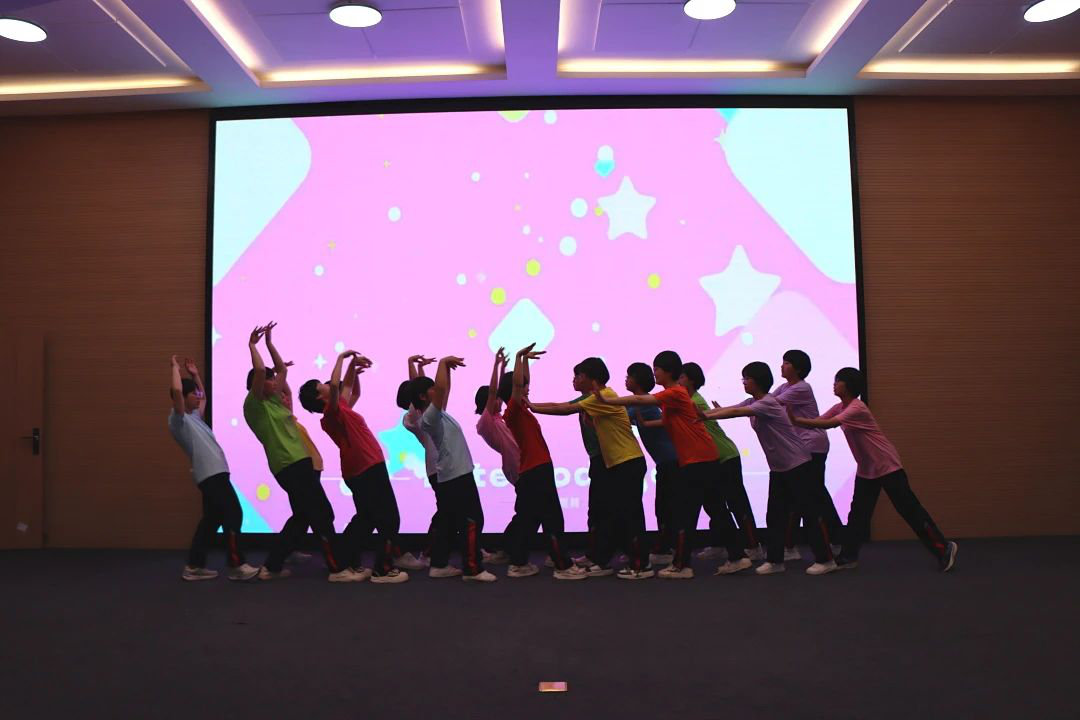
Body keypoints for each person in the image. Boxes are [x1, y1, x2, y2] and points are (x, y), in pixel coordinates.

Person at [591, 351, 749, 579]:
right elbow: (666, 421)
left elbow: (641, 399)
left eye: (657, 369)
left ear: (668, 372)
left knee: (686, 513)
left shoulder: (674, 392)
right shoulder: (674, 396)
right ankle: (737, 557)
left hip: (697, 460)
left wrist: (607, 401)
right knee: (715, 510)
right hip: (703, 458)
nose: (654, 373)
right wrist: (645, 423)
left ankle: (682, 565)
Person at [788, 367, 958, 572]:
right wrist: (790, 421)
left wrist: (796, 420)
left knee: (910, 510)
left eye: (838, 380)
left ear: (849, 385)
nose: (834, 384)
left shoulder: (857, 408)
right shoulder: (840, 406)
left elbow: (830, 424)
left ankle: (943, 548)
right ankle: (849, 556)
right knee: (858, 515)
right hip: (867, 469)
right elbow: (819, 422)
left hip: (887, 466)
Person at [244, 323, 363, 583]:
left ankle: (272, 566)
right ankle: (337, 569)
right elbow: (262, 370)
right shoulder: (254, 406)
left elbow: (282, 370)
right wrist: (253, 345)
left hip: (300, 463)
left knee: (303, 516)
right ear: (256, 384)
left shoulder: (275, 402)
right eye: (268, 379)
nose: (274, 381)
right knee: (322, 514)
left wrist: (270, 343)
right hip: (289, 465)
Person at [299, 349, 421, 584]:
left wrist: (353, 368)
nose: (327, 384)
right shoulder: (331, 413)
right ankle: (383, 570)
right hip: (366, 467)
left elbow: (349, 388)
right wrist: (341, 359)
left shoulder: (340, 408)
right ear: (320, 396)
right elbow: (337, 386)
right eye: (321, 385)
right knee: (389, 518)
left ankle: (344, 561)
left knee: (366, 519)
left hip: (363, 467)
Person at [704, 362, 836, 576]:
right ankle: (775, 561)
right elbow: (729, 408)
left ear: (757, 381)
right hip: (779, 468)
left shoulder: (768, 403)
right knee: (775, 516)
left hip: (798, 464)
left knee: (810, 513)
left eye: (747, 378)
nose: (744, 382)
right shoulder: (753, 401)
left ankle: (825, 559)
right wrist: (709, 413)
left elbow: (737, 411)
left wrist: (707, 416)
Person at [528, 357, 652, 580]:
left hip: (628, 461)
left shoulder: (604, 396)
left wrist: (533, 406)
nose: (575, 379)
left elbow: (564, 408)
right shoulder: (599, 398)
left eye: (579, 375)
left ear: (590, 378)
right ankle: (609, 559)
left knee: (631, 515)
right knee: (617, 514)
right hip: (619, 462)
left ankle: (640, 565)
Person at [495, 345, 585, 580]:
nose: (527, 388)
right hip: (536, 471)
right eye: (523, 387)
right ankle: (563, 566)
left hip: (533, 471)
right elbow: (518, 385)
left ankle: (518, 564)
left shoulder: (522, 408)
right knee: (552, 518)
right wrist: (517, 357)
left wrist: (525, 360)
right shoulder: (513, 411)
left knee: (528, 521)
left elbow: (522, 383)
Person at [168, 355, 259, 582]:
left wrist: (195, 375)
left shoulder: (194, 417)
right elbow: (177, 392)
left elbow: (204, 397)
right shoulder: (178, 420)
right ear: (184, 398)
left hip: (214, 473)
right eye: (194, 394)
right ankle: (236, 565)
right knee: (234, 513)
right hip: (211, 474)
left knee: (211, 521)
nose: (198, 396)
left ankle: (194, 566)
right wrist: (175, 368)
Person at [412, 356, 497, 582]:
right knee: (472, 519)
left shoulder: (437, 414)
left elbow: (443, 389)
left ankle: (439, 565)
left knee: (448, 523)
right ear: (423, 397)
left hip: (452, 474)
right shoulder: (429, 418)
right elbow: (441, 390)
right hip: (456, 475)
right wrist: (442, 363)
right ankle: (472, 569)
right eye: (430, 389)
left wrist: (447, 370)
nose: (437, 391)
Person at [678, 362, 763, 562]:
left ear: (691, 380)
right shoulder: (689, 400)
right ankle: (719, 544)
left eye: (681, 377)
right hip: (712, 458)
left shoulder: (694, 401)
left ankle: (753, 546)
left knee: (736, 503)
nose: (678, 381)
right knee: (714, 503)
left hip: (726, 456)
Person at [773, 350, 843, 560]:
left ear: (798, 369)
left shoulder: (802, 387)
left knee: (812, 495)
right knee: (809, 495)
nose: (782, 366)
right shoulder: (785, 387)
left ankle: (833, 540)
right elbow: (766, 400)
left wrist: (736, 411)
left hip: (813, 445)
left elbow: (769, 404)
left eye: (787, 363)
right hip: (800, 447)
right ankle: (795, 545)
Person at [624, 362, 679, 567]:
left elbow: (620, 418)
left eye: (629, 376)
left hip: (671, 460)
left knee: (667, 508)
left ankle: (667, 549)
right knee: (663, 507)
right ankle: (665, 548)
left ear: (637, 380)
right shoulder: (637, 403)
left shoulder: (644, 402)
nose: (626, 380)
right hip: (665, 461)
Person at [473, 348, 517, 566]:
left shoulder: (499, 416)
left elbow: (498, 392)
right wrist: (496, 365)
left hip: (518, 463)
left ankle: (506, 549)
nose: (499, 400)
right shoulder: (485, 422)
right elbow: (493, 393)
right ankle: (506, 549)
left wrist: (503, 368)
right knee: (528, 509)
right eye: (495, 399)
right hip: (514, 466)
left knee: (527, 509)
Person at [399, 355, 440, 565]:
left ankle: (431, 553)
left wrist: (420, 369)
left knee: (454, 511)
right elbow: (418, 389)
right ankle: (427, 553)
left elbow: (421, 388)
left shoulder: (425, 412)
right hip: (438, 468)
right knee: (446, 512)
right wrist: (411, 365)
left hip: (442, 466)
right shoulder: (413, 417)